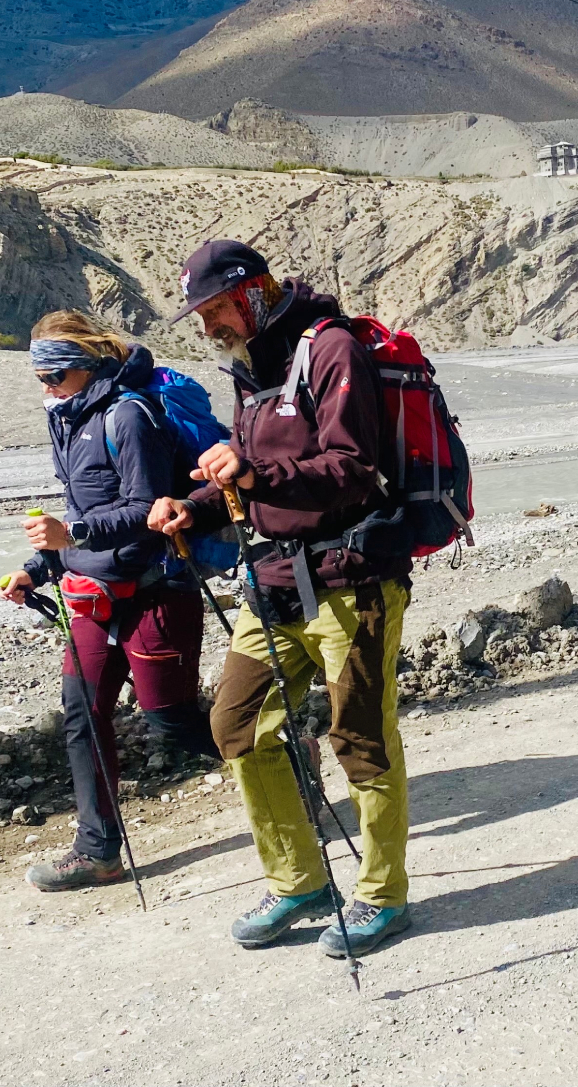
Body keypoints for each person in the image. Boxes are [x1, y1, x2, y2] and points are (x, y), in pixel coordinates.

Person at [147, 240, 414, 958]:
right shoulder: (253, 367)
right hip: (270, 580)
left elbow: (351, 468)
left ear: (253, 291)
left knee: (360, 739)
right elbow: (247, 475)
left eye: (213, 311)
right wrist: (194, 507)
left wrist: (253, 472)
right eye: (201, 317)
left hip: (350, 580)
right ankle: (297, 878)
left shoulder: (331, 350)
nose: (207, 328)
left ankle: (382, 895)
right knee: (236, 724)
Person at [0, 311, 219, 891]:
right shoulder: (69, 420)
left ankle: (290, 759)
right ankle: (97, 851)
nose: (47, 388)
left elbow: (148, 511)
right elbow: (81, 515)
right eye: (40, 377)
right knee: (83, 715)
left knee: (170, 722)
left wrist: (70, 539)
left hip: (157, 589)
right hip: (94, 594)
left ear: (90, 365)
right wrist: (36, 569)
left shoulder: (129, 415)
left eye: (57, 375)